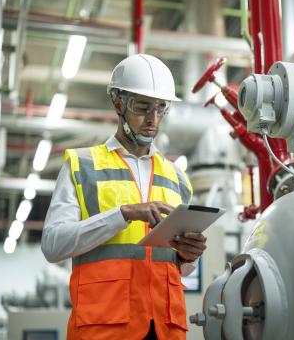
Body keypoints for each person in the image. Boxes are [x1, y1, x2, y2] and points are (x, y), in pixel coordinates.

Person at [41, 54, 207, 340]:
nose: (153, 119)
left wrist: (189, 255)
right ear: (119, 103)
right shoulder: (83, 166)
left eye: (160, 109)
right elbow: (53, 246)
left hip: (166, 328)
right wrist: (123, 214)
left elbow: (179, 267)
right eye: (143, 107)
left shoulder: (177, 177)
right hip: (105, 327)